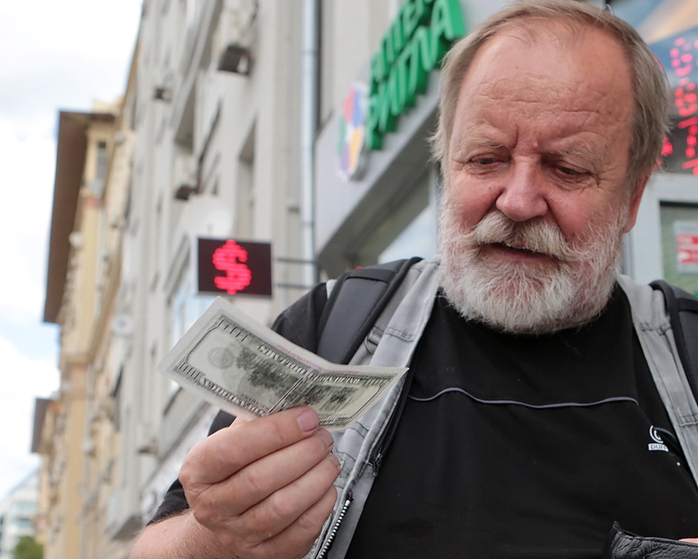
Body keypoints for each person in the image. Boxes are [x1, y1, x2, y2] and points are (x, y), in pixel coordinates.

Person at [130, 1, 698, 558]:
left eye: (567, 168)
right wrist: (213, 539)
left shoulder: (690, 352)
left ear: (632, 197)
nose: (518, 201)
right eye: (486, 159)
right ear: (447, 164)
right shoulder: (334, 330)